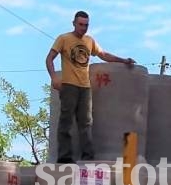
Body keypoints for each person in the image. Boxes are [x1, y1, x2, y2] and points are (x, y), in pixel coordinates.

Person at [45, 10, 136, 163]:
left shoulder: (89, 41)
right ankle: (64, 156)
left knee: (86, 122)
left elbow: (104, 55)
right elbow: (49, 59)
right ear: (74, 23)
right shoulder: (64, 39)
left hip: (85, 87)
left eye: (86, 25)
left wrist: (124, 60)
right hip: (69, 85)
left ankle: (87, 156)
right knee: (66, 121)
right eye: (80, 25)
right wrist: (54, 77)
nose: (83, 28)